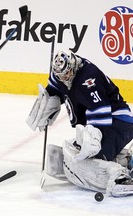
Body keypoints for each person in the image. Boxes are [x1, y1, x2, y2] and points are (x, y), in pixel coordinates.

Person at [28, 49, 133, 196]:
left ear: (73, 66)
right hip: (100, 122)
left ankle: (121, 178)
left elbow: (101, 112)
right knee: (78, 154)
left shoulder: (89, 78)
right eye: (60, 76)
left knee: (90, 160)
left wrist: (94, 141)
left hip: (117, 122)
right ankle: (125, 159)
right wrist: (48, 101)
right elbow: (54, 88)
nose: (64, 79)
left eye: (66, 75)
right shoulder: (61, 73)